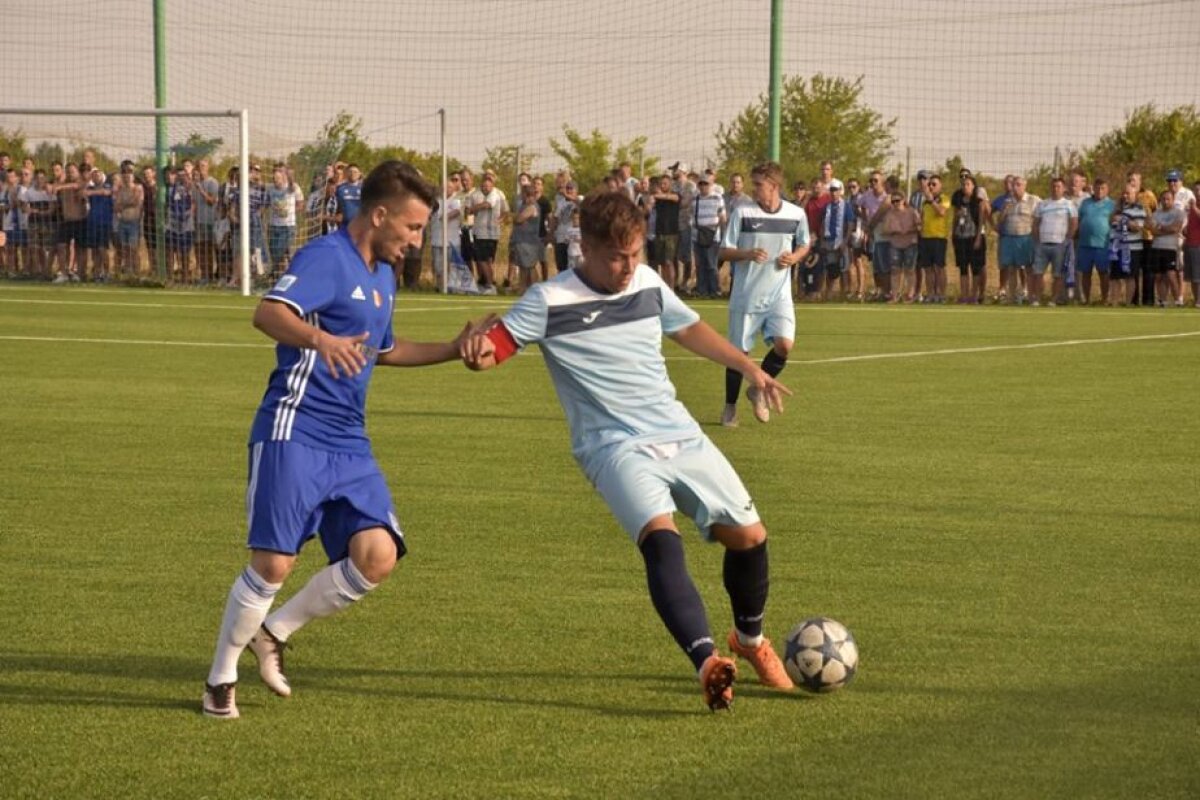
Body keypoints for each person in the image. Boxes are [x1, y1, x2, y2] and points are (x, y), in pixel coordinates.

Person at [460, 189, 796, 711]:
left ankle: (748, 643)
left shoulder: (646, 281)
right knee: (662, 540)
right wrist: (475, 352)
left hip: (678, 432)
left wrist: (750, 367)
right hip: (612, 445)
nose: (627, 266)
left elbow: (691, 330)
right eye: (616, 256)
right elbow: (493, 353)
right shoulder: (549, 300)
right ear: (585, 248)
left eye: (634, 253)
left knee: (750, 538)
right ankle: (709, 662)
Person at [201, 161, 488, 719]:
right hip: (295, 429)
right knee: (274, 566)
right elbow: (269, 313)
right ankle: (219, 681)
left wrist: (454, 350)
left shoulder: (383, 274)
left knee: (377, 556)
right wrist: (320, 340)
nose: (415, 240)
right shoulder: (325, 259)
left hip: (348, 441)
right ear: (378, 216)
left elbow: (384, 351)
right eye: (411, 227)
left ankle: (274, 634)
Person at [718, 161, 809, 428]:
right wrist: (746, 254)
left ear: (774, 186)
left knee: (785, 345)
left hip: (779, 294)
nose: (754, 189)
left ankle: (757, 389)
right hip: (746, 295)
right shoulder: (742, 213)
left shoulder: (795, 214)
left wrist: (795, 257)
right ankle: (730, 406)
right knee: (739, 354)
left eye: (758, 184)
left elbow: (804, 242)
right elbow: (724, 251)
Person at [1031, 177, 1078, 306]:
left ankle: (1053, 299)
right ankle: (1037, 299)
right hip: (1042, 244)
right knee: (1038, 273)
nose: (1055, 189)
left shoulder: (1069, 204)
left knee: (1057, 274)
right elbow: (1035, 223)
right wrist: (1037, 240)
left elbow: (1074, 222)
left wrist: (1067, 239)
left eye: (1058, 186)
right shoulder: (1042, 204)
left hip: (1059, 245)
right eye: (1053, 186)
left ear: (1063, 189)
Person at [1075, 179, 1114, 305]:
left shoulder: (1112, 204)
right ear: (1093, 189)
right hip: (1085, 244)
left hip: (1102, 244)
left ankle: (1105, 299)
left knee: (1104, 273)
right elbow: (1079, 219)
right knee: (1085, 273)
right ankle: (1086, 300)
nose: (1099, 191)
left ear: (1107, 189)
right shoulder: (1085, 203)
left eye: (1102, 188)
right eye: (1097, 188)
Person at [950, 174, 988, 303]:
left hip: (973, 237)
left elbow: (981, 222)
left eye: (968, 184)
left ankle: (974, 295)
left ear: (973, 186)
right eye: (963, 184)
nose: (965, 186)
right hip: (961, 237)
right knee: (963, 268)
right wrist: (953, 235)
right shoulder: (958, 202)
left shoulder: (978, 202)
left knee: (975, 268)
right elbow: (955, 219)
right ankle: (964, 294)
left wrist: (978, 239)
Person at [1147, 189, 1185, 306]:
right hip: (1157, 247)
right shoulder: (1156, 214)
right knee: (1159, 276)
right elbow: (1153, 231)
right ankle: (1162, 300)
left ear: (1173, 200)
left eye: (1168, 199)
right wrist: (1166, 229)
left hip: (1170, 249)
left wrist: (1160, 227)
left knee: (1171, 275)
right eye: (1163, 199)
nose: (1165, 201)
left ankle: (1178, 300)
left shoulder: (1178, 213)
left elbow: (1176, 229)